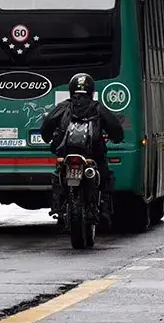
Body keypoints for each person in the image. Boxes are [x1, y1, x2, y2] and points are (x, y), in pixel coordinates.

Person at [40, 73, 125, 221]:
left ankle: (57, 205)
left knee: (58, 175)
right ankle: (104, 209)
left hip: (66, 153)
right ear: (91, 91)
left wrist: (48, 139)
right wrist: (117, 138)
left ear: (71, 90)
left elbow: (47, 124)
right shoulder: (97, 108)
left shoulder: (63, 107)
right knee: (106, 177)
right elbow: (115, 127)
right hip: (93, 154)